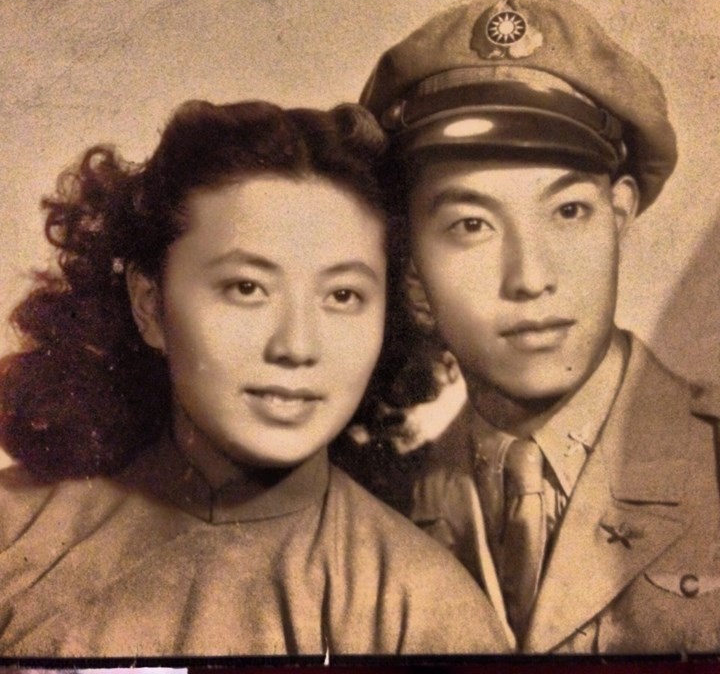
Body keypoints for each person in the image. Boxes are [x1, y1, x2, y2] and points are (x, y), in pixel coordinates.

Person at [0, 99, 507, 656]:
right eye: (247, 288)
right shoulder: (14, 538)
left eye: (343, 296)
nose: (296, 346)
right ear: (150, 306)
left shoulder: (424, 612)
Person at [360, 0, 720, 653]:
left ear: (618, 217)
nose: (530, 277)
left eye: (567, 213)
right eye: (472, 224)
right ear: (412, 268)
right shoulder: (377, 504)